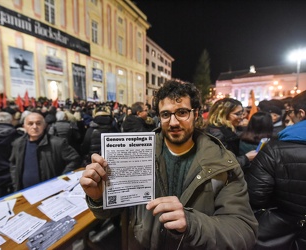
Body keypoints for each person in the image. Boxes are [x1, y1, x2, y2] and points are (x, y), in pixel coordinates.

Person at [80, 80, 258, 249]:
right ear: (159, 117)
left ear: (195, 114)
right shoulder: (137, 153)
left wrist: (192, 224)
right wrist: (99, 197)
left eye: (182, 112)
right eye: (166, 114)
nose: (173, 122)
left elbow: (244, 230)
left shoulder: (222, 162)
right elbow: (116, 211)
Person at [245, 90, 306, 249]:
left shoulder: (274, 150)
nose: (290, 116)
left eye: (291, 112)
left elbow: (255, 196)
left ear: (301, 113)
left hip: (286, 231)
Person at [10, 112, 81, 191]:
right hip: (24, 191)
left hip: (50, 192)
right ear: (24, 127)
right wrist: (15, 181)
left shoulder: (57, 143)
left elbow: (74, 159)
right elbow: (13, 164)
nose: (34, 127)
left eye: (38, 123)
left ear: (44, 125)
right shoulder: (18, 143)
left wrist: (61, 179)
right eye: (30, 124)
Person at [205, 98, 257, 169]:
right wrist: (246, 158)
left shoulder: (233, 128)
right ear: (223, 115)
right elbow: (221, 164)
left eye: (242, 113)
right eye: (237, 114)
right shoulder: (217, 133)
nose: (242, 117)